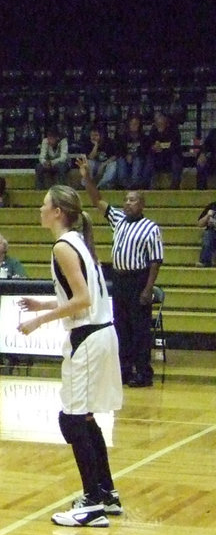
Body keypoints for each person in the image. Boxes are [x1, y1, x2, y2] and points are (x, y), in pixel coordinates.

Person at [17, 185, 122, 528]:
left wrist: (38, 320)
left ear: (58, 212)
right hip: (100, 333)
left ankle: (92, 502)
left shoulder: (63, 246)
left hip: (89, 337)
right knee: (85, 417)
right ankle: (105, 492)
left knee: (72, 419)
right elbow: (82, 295)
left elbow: (82, 300)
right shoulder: (77, 241)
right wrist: (44, 303)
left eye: (44, 203)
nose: (40, 208)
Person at [77, 158, 163, 387]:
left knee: (140, 330)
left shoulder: (151, 228)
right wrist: (87, 178)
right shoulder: (118, 219)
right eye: (125, 199)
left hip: (139, 280)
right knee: (121, 327)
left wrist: (147, 289)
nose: (127, 203)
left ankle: (144, 373)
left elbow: (155, 262)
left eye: (132, 200)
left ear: (142, 204)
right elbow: (97, 201)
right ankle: (124, 370)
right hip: (119, 279)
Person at [147, 111, 184, 190]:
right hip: (158, 156)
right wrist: (153, 147)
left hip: (170, 156)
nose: (158, 122)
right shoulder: (153, 130)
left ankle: (175, 184)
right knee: (150, 159)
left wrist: (163, 149)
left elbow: (176, 147)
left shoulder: (173, 129)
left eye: (159, 120)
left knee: (176, 160)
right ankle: (151, 184)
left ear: (165, 120)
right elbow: (149, 145)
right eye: (156, 120)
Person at [115, 116, 151, 190]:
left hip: (139, 158)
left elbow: (145, 152)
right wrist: (126, 155)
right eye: (132, 124)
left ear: (139, 125)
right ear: (128, 125)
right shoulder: (122, 137)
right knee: (120, 161)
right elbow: (119, 151)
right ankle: (123, 185)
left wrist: (134, 155)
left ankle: (134, 185)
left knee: (137, 161)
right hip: (125, 158)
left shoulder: (144, 138)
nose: (134, 126)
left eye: (136, 124)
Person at [84, 124, 119, 190]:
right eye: (92, 135)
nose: (93, 137)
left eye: (96, 135)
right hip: (95, 164)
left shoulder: (109, 142)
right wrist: (96, 146)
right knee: (88, 163)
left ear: (101, 136)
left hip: (107, 163)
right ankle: (88, 185)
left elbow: (114, 156)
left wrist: (103, 165)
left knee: (113, 165)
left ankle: (102, 185)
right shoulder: (88, 143)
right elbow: (90, 157)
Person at [198, 201, 216, 267]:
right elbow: (200, 224)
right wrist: (207, 216)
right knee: (207, 234)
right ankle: (205, 261)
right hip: (212, 233)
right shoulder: (212, 206)